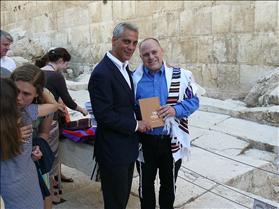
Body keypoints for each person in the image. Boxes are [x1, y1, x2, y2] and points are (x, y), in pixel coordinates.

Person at [88, 22, 151, 209]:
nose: (131, 47)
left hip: (126, 147)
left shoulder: (124, 68)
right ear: (114, 40)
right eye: (126, 41)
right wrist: (136, 125)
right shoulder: (102, 73)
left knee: (121, 198)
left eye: (134, 43)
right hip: (113, 151)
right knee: (115, 202)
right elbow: (104, 115)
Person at [132, 38, 200, 209]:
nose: (151, 57)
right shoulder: (134, 80)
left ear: (161, 51)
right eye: (146, 54)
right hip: (144, 141)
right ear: (141, 57)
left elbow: (194, 101)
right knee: (145, 185)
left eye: (154, 52)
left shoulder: (182, 75)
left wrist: (175, 110)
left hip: (170, 141)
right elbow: (127, 107)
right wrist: (136, 120)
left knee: (168, 185)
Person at [1, 66, 61, 209]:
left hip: (29, 177)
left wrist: (34, 149)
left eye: (26, 93)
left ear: (36, 94)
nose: (18, 98)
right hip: (10, 186)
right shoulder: (20, 112)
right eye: (15, 91)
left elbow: (46, 129)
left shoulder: (29, 111)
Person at [35, 47, 88, 204]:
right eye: (66, 64)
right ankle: (53, 195)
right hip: (50, 121)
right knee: (52, 156)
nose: (66, 67)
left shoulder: (37, 72)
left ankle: (48, 187)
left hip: (36, 118)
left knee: (41, 153)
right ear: (60, 61)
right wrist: (82, 110)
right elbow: (68, 100)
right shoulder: (56, 76)